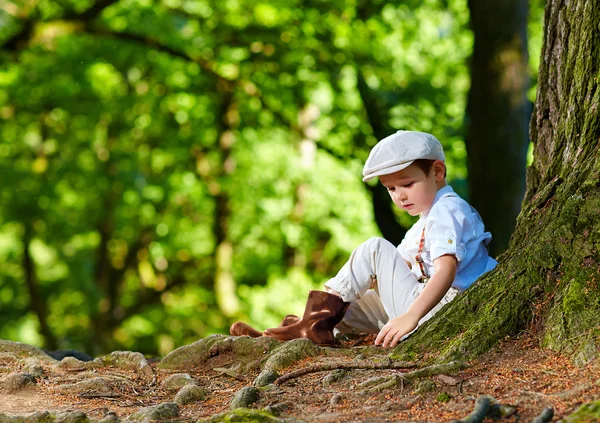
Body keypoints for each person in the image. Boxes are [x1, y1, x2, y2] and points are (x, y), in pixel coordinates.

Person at [230, 130, 497, 348]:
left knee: (375, 248)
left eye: (407, 184)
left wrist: (410, 317)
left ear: (437, 172)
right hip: (426, 303)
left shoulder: (448, 210)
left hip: (444, 308)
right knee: (349, 305)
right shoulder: (426, 219)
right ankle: (286, 335)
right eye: (391, 188)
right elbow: (399, 264)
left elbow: (446, 270)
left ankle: (309, 326)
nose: (399, 196)